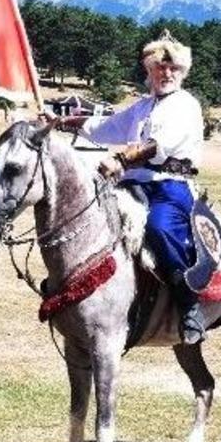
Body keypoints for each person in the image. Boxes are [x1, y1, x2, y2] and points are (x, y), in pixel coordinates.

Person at [51, 31, 205, 344]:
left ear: (183, 71)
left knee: (160, 228)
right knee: (90, 214)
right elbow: (106, 126)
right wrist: (61, 120)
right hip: (133, 182)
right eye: (159, 67)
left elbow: (158, 144)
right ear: (148, 71)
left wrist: (121, 159)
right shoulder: (142, 106)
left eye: (173, 68)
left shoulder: (186, 105)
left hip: (170, 185)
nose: (166, 73)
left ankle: (189, 305)